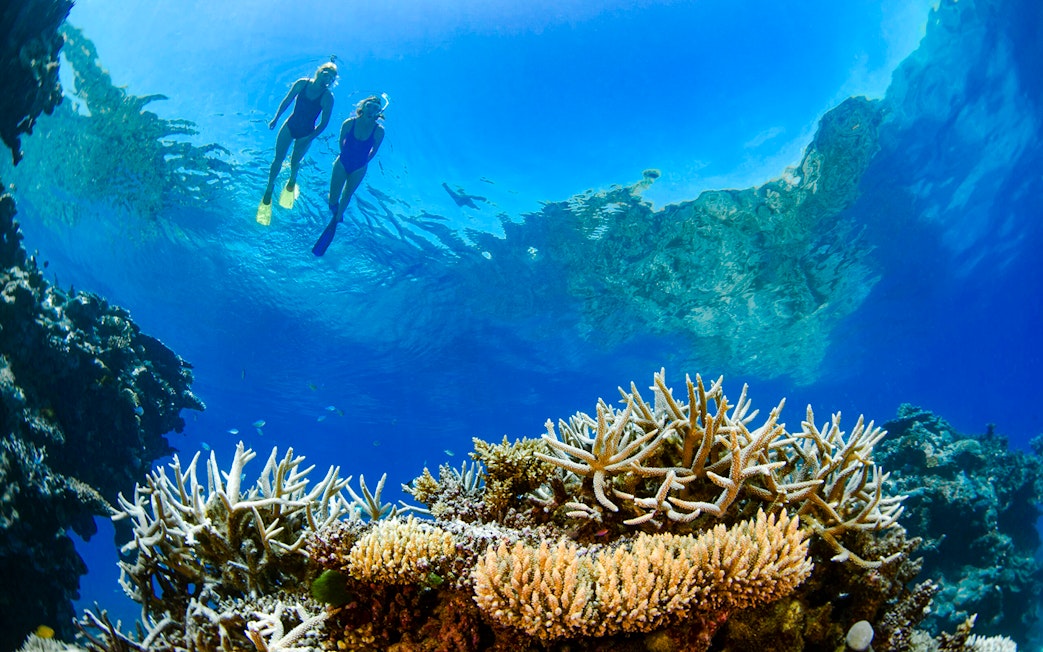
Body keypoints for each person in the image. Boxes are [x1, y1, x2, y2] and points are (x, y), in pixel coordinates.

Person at [256, 61, 337, 224]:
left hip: (306, 133)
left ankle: (292, 180)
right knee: (278, 159)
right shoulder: (302, 83)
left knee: (294, 162)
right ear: (319, 72)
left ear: (332, 81)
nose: (327, 76)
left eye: (331, 76)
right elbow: (287, 101)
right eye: (326, 72)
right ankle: (269, 188)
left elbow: (324, 123)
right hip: (290, 125)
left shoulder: (328, 97)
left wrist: (309, 138)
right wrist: (276, 118)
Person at [312, 95, 387, 256]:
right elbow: (341, 142)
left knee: (347, 195)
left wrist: (362, 162)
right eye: (369, 106)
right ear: (363, 106)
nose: (372, 109)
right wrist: (344, 156)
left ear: (378, 112)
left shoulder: (379, 130)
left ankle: (337, 218)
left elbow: (374, 151)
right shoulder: (349, 123)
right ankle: (334, 210)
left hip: (359, 166)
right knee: (333, 198)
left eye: (376, 108)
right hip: (342, 161)